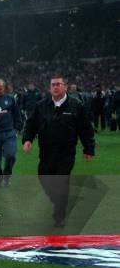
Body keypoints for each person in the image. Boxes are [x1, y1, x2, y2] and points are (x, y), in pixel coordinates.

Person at [22, 75, 95, 227]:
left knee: (62, 181)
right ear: (50, 88)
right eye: (52, 84)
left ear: (65, 87)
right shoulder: (41, 105)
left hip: (66, 153)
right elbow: (31, 124)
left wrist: (89, 148)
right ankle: (58, 201)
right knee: (44, 178)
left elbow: (86, 129)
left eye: (58, 84)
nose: (55, 87)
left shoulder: (76, 105)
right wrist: (27, 139)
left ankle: (59, 216)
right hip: (46, 152)